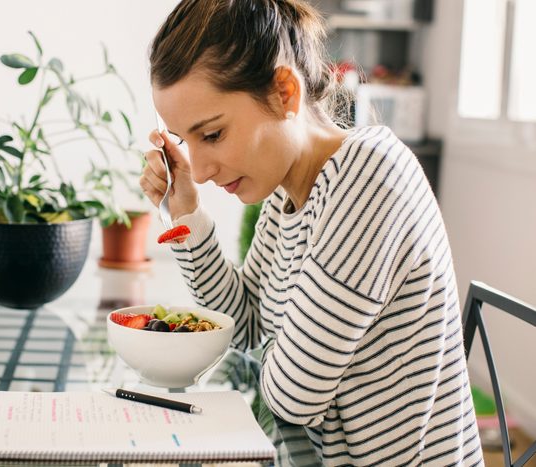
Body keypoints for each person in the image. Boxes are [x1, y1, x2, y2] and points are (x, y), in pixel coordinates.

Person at [139, 0, 483, 465]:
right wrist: (185, 214)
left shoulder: (368, 178)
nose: (198, 171)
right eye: (185, 141)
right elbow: (245, 327)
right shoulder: (287, 197)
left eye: (213, 134)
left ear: (284, 92)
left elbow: (293, 395)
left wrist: (285, 355)